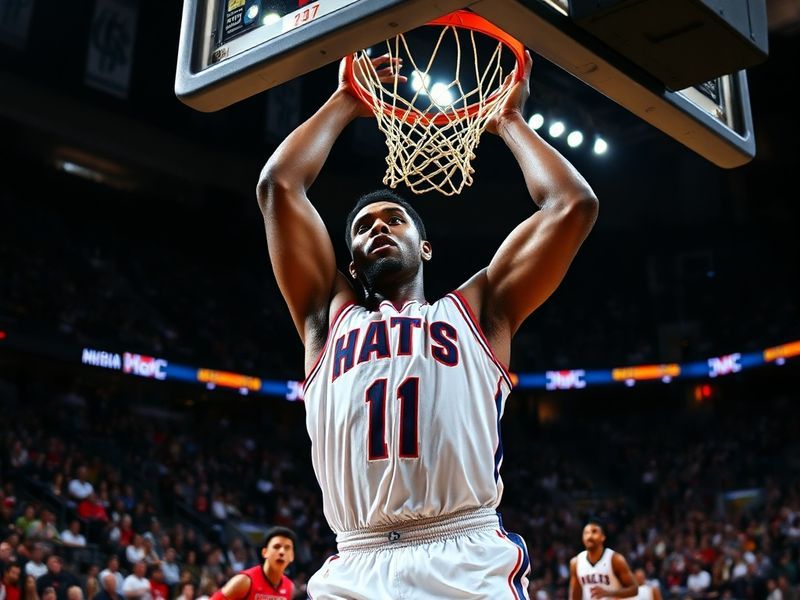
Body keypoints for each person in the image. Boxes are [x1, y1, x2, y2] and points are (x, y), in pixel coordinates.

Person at [257, 47, 598, 599]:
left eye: (395, 219)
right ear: (351, 263)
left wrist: (509, 122)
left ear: (426, 246)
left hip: (462, 557)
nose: (379, 228)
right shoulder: (326, 318)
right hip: (354, 562)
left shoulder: (478, 311)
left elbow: (572, 205)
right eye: (364, 227)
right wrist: (344, 102)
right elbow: (279, 187)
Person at [209, 528, 294, 600]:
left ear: (292, 556)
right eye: (276, 547)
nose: (282, 552)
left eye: (287, 548)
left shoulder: (289, 587)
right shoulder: (244, 581)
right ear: (265, 552)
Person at [569, 519, 637, 599]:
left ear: (602, 537)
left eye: (594, 532)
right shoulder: (576, 563)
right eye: (586, 533)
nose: (589, 536)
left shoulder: (615, 559)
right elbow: (575, 596)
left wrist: (608, 593)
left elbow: (634, 589)